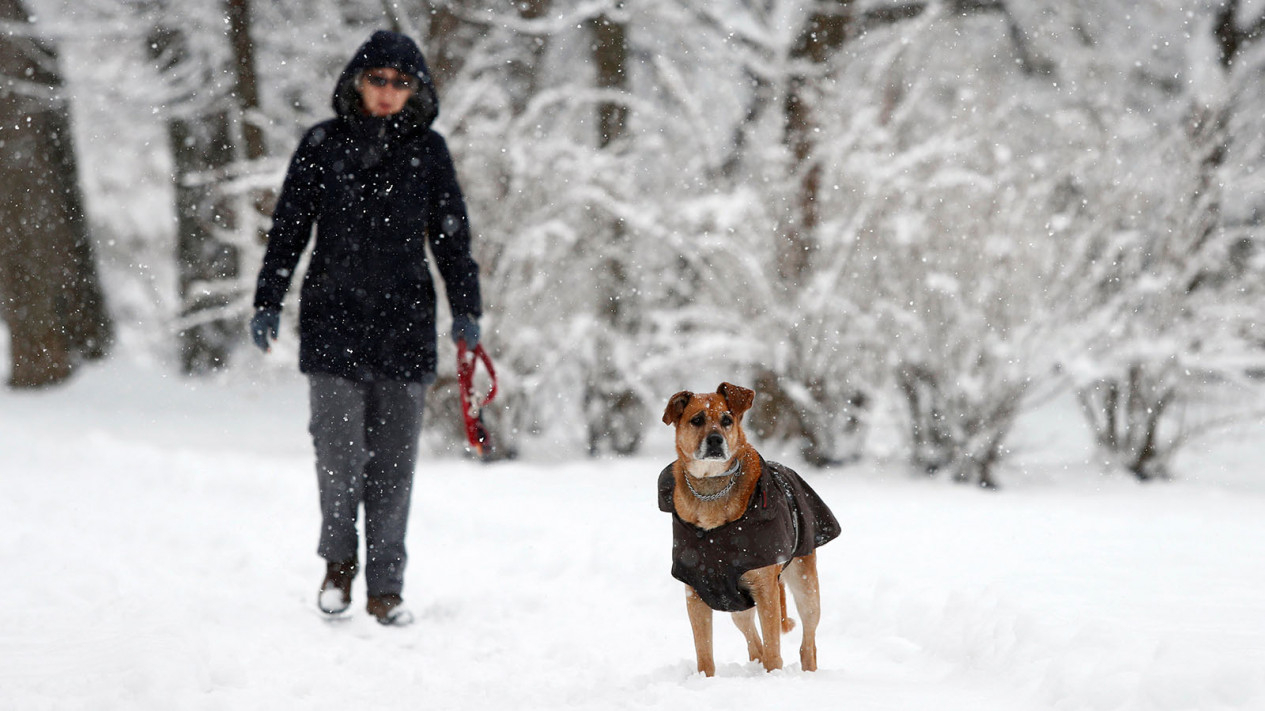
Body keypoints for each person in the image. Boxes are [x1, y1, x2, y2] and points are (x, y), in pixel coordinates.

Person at [249, 30, 482, 626]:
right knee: (338, 456)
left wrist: (466, 308)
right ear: (357, 81)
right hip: (332, 322)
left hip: (404, 327)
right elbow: (289, 229)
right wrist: (268, 299)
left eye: (400, 83)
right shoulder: (322, 144)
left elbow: (452, 240)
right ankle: (337, 568)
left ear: (417, 91)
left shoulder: (429, 152)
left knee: (394, 466)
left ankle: (387, 588)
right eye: (377, 79)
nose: (387, 92)